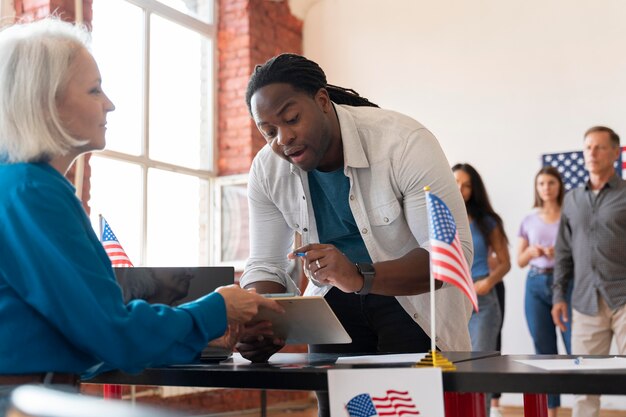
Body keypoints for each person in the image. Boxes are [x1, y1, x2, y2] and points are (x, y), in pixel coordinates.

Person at [0, 18, 283, 416]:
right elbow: (111, 333)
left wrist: (198, 332)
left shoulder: (14, 185)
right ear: (45, 100)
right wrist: (217, 308)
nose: (109, 103)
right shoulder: (33, 191)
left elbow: (83, 334)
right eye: (94, 89)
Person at [236, 53, 473, 417]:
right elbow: (266, 265)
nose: (283, 138)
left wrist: (358, 275)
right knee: (341, 410)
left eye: (291, 118)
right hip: (333, 306)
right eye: (268, 131)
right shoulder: (267, 171)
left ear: (321, 101)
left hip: (410, 302)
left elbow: (448, 259)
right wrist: (258, 316)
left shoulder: (402, 141)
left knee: (411, 409)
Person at [552, 126, 626, 417]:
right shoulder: (572, 199)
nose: (592, 153)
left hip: (624, 297)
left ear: (616, 152)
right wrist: (558, 295)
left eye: (599, 147)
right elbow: (563, 251)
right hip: (584, 301)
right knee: (583, 384)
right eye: (587, 148)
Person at [452, 163, 510, 417]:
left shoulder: (488, 221)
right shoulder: (442, 219)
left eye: (466, 185)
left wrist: (488, 282)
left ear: (474, 189)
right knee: (455, 364)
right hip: (453, 300)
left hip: (483, 300)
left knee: (481, 365)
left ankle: (482, 413)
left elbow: (505, 262)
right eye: (456, 183)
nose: (461, 189)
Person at [518, 166, 571, 417]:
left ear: (559, 185)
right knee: (544, 351)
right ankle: (553, 410)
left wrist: (559, 254)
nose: (546, 188)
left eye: (551, 183)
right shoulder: (528, 220)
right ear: (536, 188)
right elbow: (519, 260)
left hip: (567, 285)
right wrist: (532, 252)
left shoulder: (569, 216)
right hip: (535, 285)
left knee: (575, 347)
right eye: (541, 184)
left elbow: (580, 252)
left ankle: (583, 403)